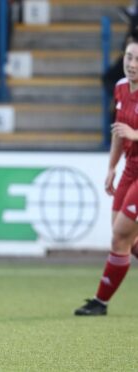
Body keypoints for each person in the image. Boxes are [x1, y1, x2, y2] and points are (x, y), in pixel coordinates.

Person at [74, 35, 138, 316]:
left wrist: (135, 134)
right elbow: (118, 130)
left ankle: (100, 303)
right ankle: (101, 302)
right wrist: (112, 166)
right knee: (123, 237)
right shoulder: (121, 88)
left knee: (120, 235)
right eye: (129, 57)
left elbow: (129, 132)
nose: (132, 64)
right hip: (131, 167)